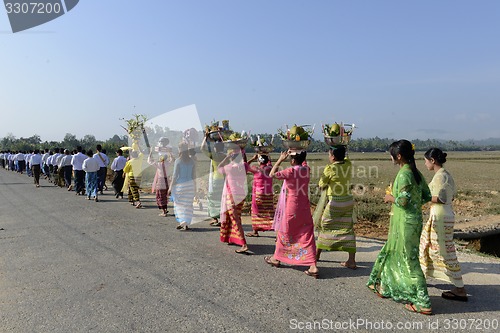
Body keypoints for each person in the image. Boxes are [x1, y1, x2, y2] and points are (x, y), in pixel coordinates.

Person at [367, 139, 432, 315]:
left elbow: (403, 201)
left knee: (409, 260)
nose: (390, 158)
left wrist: (390, 198)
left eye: (391, 155)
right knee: (394, 252)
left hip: (405, 222)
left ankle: (423, 301)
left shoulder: (404, 174)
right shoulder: (415, 172)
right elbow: (427, 195)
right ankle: (386, 287)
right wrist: (414, 205)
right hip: (413, 219)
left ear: (399, 156)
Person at [420, 148, 468, 301]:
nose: (425, 163)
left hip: (439, 215)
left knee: (442, 250)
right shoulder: (446, 175)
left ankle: (459, 288)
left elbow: (441, 198)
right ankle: (422, 278)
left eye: (426, 160)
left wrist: (423, 196)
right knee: (429, 246)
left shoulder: (440, 177)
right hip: (445, 214)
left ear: (432, 160)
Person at [264, 150, 319, 278]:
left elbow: (271, 174)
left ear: (293, 160)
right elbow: (303, 162)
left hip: (292, 206)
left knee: (285, 232)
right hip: (304, 206)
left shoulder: (290, 171)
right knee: (307, 234)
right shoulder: (306, 169)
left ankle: (276, 258)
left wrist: (280, 159)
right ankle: (313, 265)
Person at [314, 146, 357, 269]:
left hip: (335, 202)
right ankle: (351, 260)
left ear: (332, 157)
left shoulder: (330, 168)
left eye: (329, 154)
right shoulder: (348, 165)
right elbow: (347, 158)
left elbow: (322, 184)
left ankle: (317, 255)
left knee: (325, 225)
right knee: (348, 228)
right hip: (348, 201)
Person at [218, 147, 250, 254]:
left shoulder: (228, 167)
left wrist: (226, 158)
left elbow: (219, 167)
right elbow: (245, 162)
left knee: (235, 218)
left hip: (232, 196)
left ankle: (244, 244)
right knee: (236, 217)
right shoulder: (244, 166)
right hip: (241, 195)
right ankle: (232, 238)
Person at [168, 142, 195, 230]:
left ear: (179, 149)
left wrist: (170, 187)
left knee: (179, 204)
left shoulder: (178, 161)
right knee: (188, 204)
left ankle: (182, 220)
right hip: (190, 184)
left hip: (181, 185)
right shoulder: (192, 160)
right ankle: (186, 222)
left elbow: (175, 175)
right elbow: (194, 175)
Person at [245, 154, 274, 237]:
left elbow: (245, 166)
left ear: (259, 161)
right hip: (268, 194)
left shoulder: (256, 169)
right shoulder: (269, 168)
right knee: (270, 213)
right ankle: (278, 232)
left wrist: (252, 158)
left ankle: (255, 231)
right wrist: (267, 154)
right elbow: (269, 162)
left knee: (255, 212)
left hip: (259, 194)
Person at [201, 134, 225, 226]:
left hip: (215, 180)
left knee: (212, 198)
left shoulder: (214, 156)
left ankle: (215, 218)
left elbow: (202, 148)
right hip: (223, 180)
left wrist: (205, 137)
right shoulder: (225, 156)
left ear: (215, 148)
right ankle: (222, 218)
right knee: (221, 199)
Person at [148, 149, 173, 217]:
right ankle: (165, 209)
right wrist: (170, 152)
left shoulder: (158, 164)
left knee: (160, 195)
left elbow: (150, 161)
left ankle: (164, 211)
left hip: (161, 181)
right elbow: (172, 159)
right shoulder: (167, 163)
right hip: (167, 180)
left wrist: (150, 153)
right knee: (165, 195)